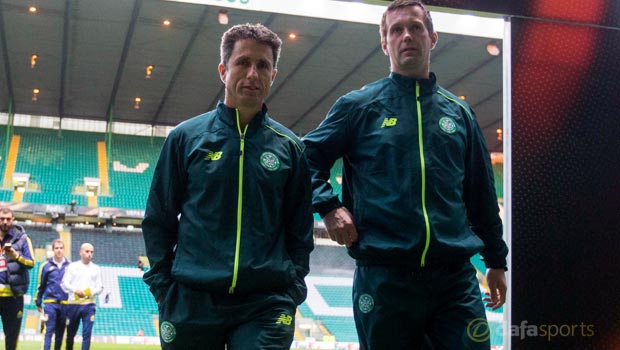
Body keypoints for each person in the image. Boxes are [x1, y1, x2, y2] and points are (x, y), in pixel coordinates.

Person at [302, 1, 509, 348]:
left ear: (433, 36)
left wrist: (496, 261)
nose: (407, 36)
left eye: (415, 27)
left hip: (454, 280)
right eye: (396, 30)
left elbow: (481, 194)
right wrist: (328, 206)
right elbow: (304, 158)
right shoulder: (358, 107)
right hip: (385, 279)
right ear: (384, 44)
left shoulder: (459, 114)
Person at [142, 23, 314, 350]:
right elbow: (158, 220)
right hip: (192, 300)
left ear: (273, 75)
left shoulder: (290, 148)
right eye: (243, 62)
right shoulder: (186, 138)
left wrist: (292, 291)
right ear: (223, 70)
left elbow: (300, 231)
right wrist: (165, 289)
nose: (252, 73)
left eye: (262, 65)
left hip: (265, 303)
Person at [0, 207, 35, 350]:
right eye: (2, 219)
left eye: (8, 219)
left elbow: (31, 262)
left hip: (13, 297)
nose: (5, 222)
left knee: (11, 340)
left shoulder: (23, 239)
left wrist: (17, 257)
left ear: (13, 220)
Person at [61, 243, 103, 350]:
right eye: (87, 251)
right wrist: (75, 290)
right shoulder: (72, 266)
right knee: (70, 334)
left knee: (87, 334)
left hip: (89, 305)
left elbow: (100, 287)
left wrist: (90, 292)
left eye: (91, 252)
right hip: (73, 305)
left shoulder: (96, 268)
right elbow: (65, 283)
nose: (89, 254)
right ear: (81, 252)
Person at [35, 239, 70, 350]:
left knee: (60, 333)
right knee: (48, 330)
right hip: (50, 303)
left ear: (64, 250)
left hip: (65, 304)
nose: (59, 250)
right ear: (53, 250)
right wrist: (38, 300)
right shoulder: (45, 266)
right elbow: (41, 285)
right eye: (56, 248)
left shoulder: (70, 266)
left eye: (61, 248)